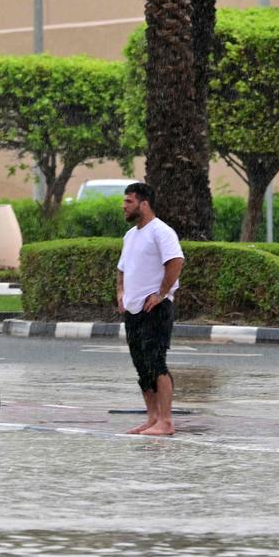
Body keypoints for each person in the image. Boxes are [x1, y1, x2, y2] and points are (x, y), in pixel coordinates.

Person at [116, 182, 185, 436]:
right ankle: (152, 418)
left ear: (143, 204)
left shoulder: (161, 232)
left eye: (129, 202)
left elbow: (176, 261)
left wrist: (161, 294)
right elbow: (121, 268)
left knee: (156, 363)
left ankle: (166, 421)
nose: (124, 206)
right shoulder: (130, 235)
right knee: (141, 366)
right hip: (133, 310)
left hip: (156, 309)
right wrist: (120, 293)